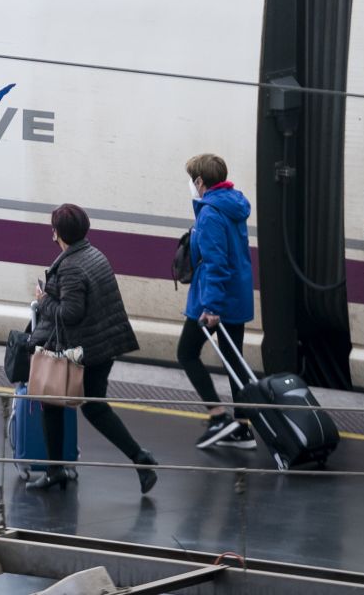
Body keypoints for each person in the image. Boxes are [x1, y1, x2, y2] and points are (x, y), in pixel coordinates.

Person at [29, 203, 159, 495]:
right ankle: (137, 459)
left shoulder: (72, 266)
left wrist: (42, 300)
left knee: (60, 403)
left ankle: (58, 470)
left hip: (86, 350)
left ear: (57, 233)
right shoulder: (93, 253)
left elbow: (71, 312)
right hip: (103, 344)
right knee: (90, 406)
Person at [176, 153, 256, 450]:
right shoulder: (233, 203)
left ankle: (218, 416)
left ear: (200, 181)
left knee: (186, 352)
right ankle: (243, 428)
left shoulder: (210, 213)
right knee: (234, 361)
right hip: (236, 296)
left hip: (213, 299)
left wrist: (211, 308)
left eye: (191, 180)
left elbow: (215, 263)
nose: (191, 185)